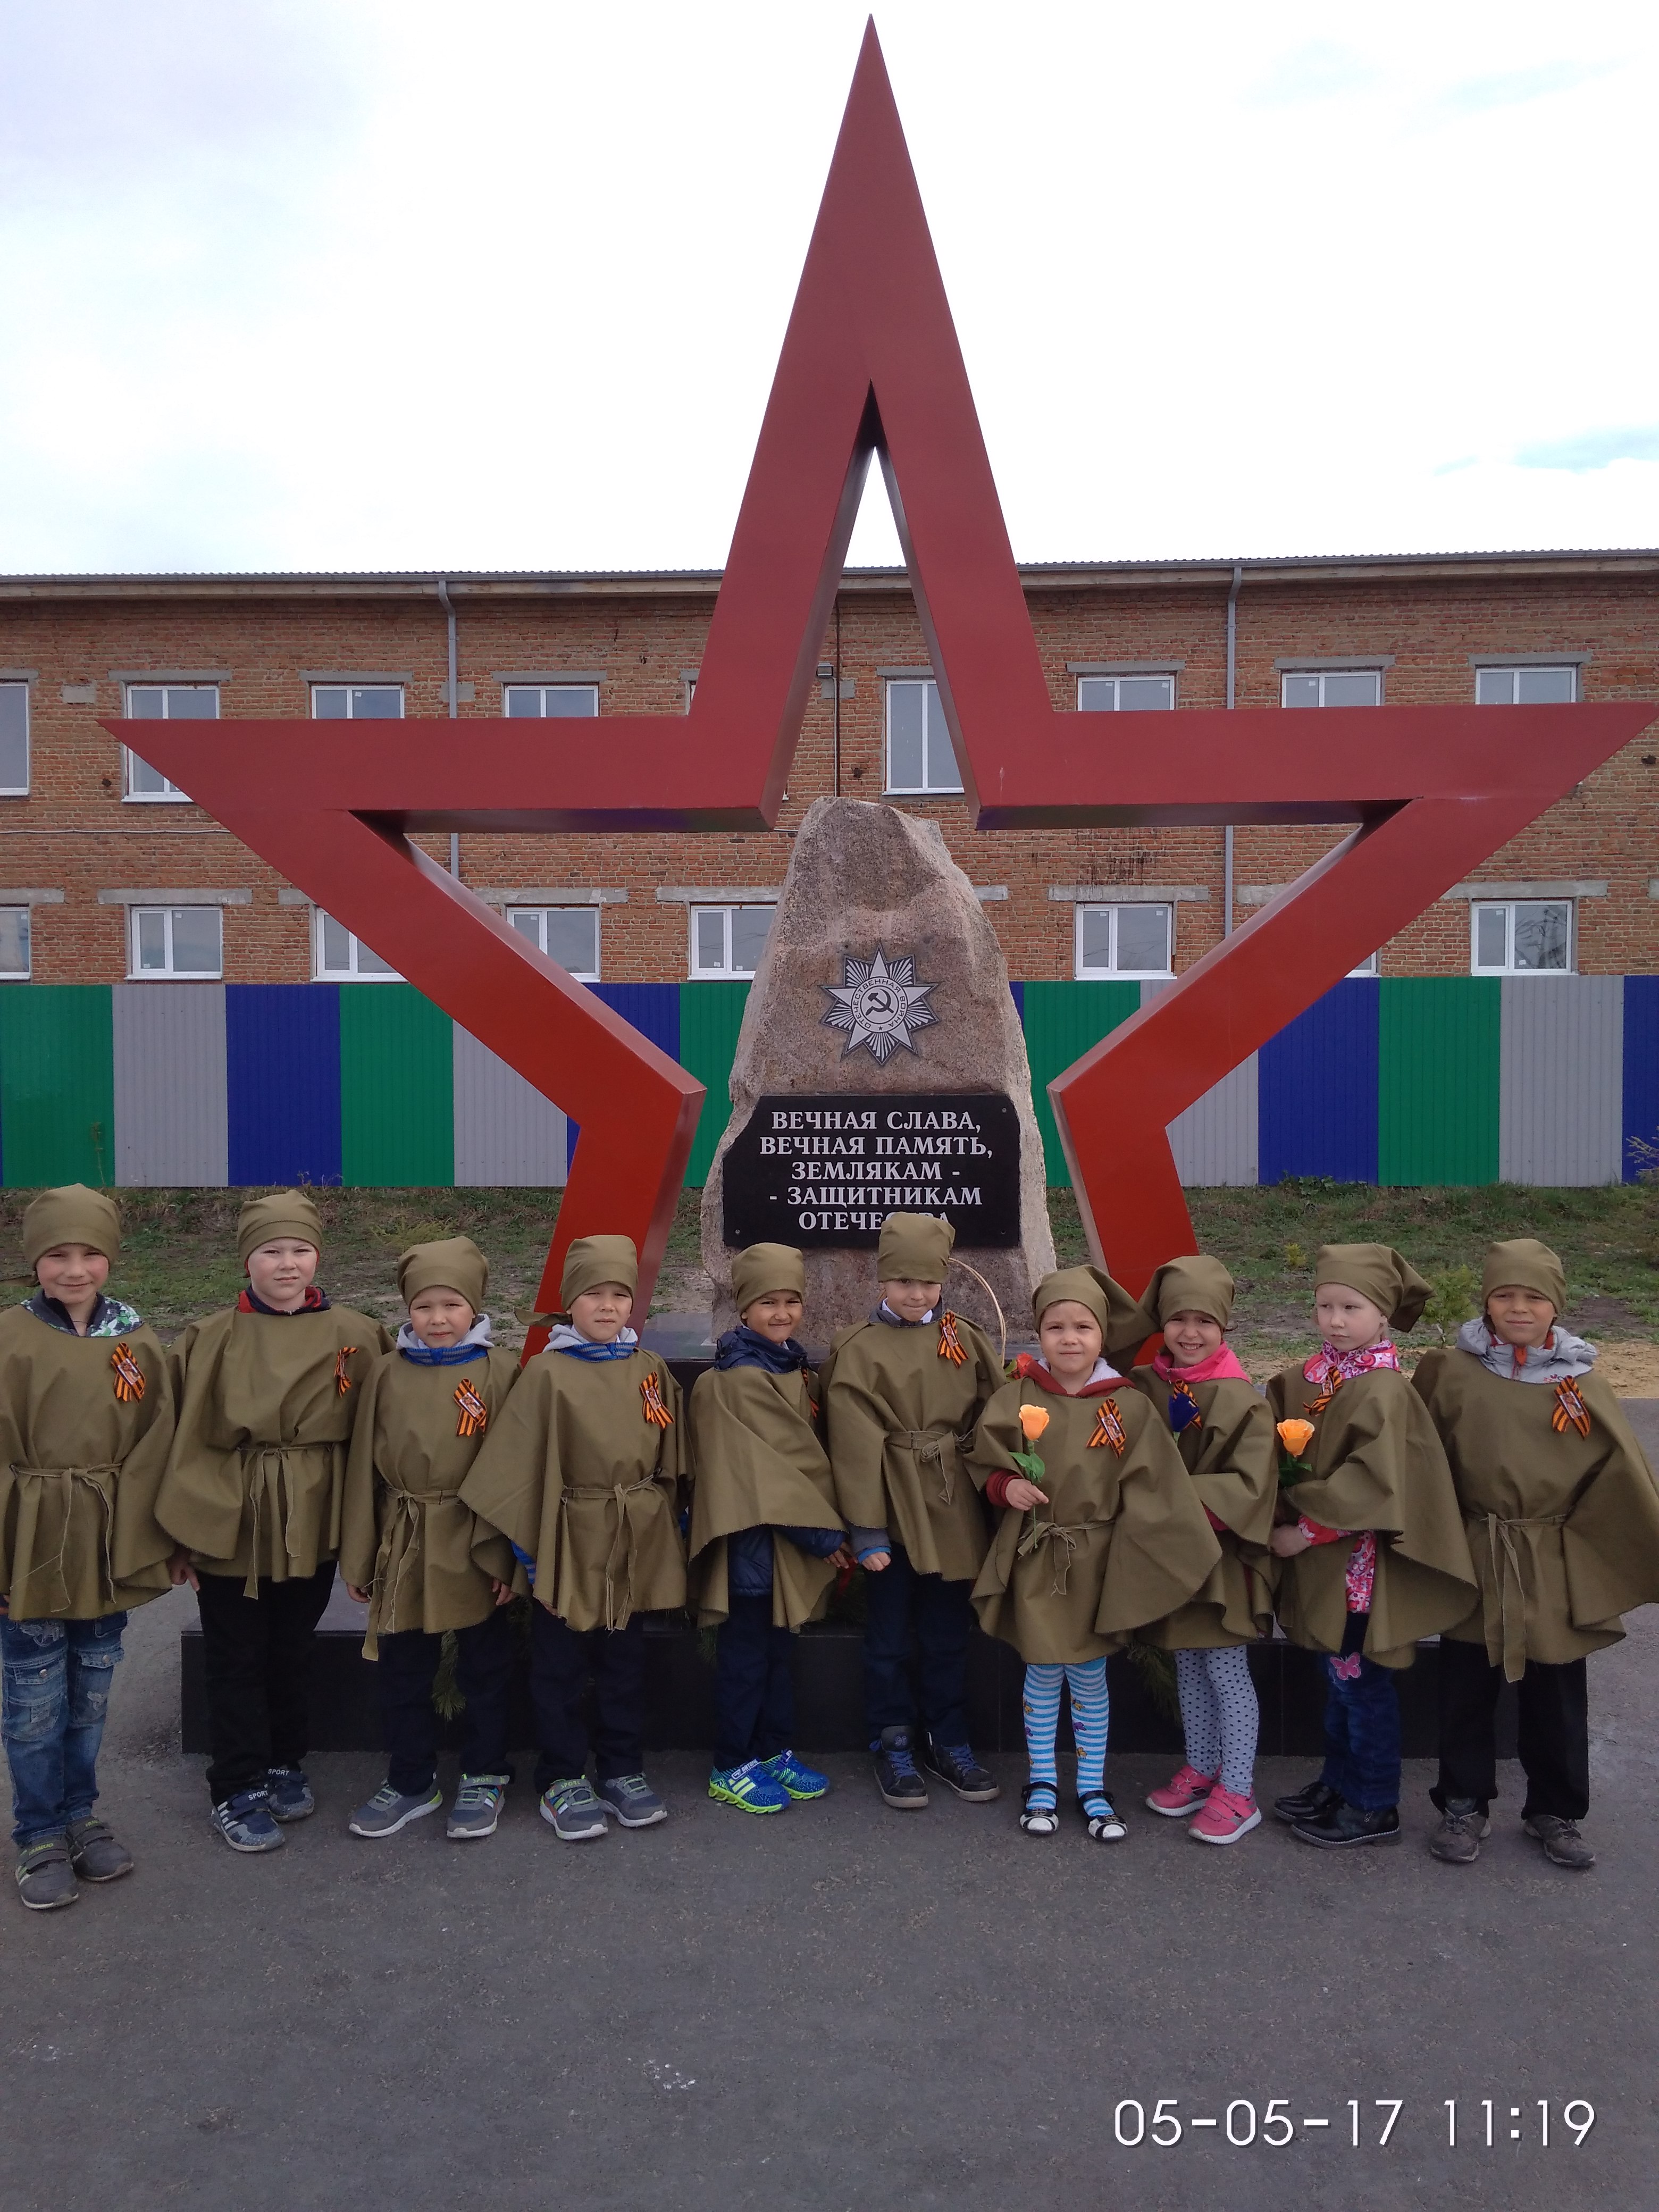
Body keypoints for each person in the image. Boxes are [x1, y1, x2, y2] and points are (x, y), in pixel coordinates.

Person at [156, 1190, 391, 1854]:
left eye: (300, 1249)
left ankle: (286, 1759)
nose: (287, 1263)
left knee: (292, 1647)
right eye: (271, 1251)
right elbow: (176, 1438)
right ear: (247, 1260)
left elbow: (381, 1432)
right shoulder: (209, 1337)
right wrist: (180, 1535)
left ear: (318, 1256)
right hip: (233, 1514)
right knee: (235, 1653)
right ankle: (236, 1784)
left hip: (313, 1512)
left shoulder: (356, 1333)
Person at [1414, 1238, 1659, 1871]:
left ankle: (1556, 1808)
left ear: (1556, 1305)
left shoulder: (1581, 1382)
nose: (1518, 1307)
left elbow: (1618, 1476)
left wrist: (1589, 1552)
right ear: (1486, 1302)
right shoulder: (1450, 1372)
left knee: (1556, 1688)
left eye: (1534, 1296)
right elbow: (1422, 1457)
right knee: (1466, 1684)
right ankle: (1463, 1803)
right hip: (1477, 1546)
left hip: (1550, 1554)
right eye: (1504, 1294)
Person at [971, 1264, 1220, 1841]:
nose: (1069, 1339)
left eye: (1083, 1327)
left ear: (1102, 1335)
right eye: (1055, 1327)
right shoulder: (1018, 1396)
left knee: (1088, 1673)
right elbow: (985, 1459)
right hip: (1038, 1553)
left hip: (1097, 1560)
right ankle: (1041, 1780)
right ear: (1039, 1332)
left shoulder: (1127, 1405)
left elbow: (1156, 1484)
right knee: (1041, 1668)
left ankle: (1091, 1784)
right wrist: (1007, 1486)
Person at [459, 1235, 685, 1841]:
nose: (608, 1306)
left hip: (630, 1539)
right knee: (558, 1665)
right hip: (564, 1540)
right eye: (593, 1294)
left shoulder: (649, 1369)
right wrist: (530, 1560)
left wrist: (664, 1528)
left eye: (619, 1295)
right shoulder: (546, 1374)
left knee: (623, 1662)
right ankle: (560, 1777)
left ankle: (621, 1769)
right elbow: (517, 1469)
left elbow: (671, 1457)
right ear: (569, 1303)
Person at [1267, 1243, 1476, 1849]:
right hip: (1327, 1568)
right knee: (1338, 1683)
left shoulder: (1382, 1388)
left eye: (1351, 1307)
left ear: (1383, 1315)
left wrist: (1303, 1530)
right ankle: (1337, 1783)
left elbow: (1375, 1484)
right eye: (1325, 1305)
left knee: (1362, 1689)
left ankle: (1374, 1803)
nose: (1335, 1320)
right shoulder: (1315, 1376)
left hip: (1357, 1572)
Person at [0, 1187, 174, 1910]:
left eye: (90, 1254)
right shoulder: (9, 1337)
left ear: (111, 1258)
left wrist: (158, 1541)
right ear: (33, 1260)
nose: (75, 1270)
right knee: (35, 1696)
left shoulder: (136, 1340)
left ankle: (81, 1815)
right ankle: (39, 1831)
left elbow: (159, 1445)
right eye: (58, 1255)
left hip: (107, 1540)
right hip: (29, 1543)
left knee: (91, 1691)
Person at [338, 1236, 522, 1842]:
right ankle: (411, 1778)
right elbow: (363, 1467)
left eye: (452, 1305)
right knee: (403, 1667)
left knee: (485, 1666)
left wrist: (507, 1557)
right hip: (405, 1538)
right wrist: (360, 1556)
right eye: (424, 1306)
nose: (438, 1319)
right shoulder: (386, 1373)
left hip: (475, 1536)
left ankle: (486, 1773)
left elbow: (516, 1470)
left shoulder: (500, 1371)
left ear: (475, 1307)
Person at [820, 1212, 1003, 1812]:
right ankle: (892, 1738)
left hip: (951, 1509)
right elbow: (852, 1443)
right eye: (904, 1281)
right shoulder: (858, 1347)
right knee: (890, 1636)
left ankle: (948, 1737)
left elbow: (993, 1417)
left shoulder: (964, 1338)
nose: (917, 1294)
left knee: (947, 1633)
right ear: (882, 1279)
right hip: (892, 1509)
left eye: (928, 1282)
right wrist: (867, 1530)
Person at [688, 1243, 850, 1815]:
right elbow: (767, 1475)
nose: (781, 1313)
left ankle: (773, 1749)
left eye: (791, 1302)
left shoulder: (789, 1367)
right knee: (746, 1660)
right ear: (743, 1309)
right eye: (768, 1303)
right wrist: (825, 1537)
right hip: (752, 1549)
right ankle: (731, 1763)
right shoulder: (734, 1381)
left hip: (786, 1546)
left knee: (779, 1656)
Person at [1131, 1256, 1277, 1845]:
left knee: (1225, 1669)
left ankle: (1239, 1790)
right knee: (1189, 1662)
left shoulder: (1243, 1399)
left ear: (1226, 1326)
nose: (1190, 1333)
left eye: (1205, 1321)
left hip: (1222, 1557)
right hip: (1176, 1554)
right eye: (1177, 1319)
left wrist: (1172, 1501)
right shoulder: (1148, 1385)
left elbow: (1251, 1485)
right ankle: (1202, 1767)